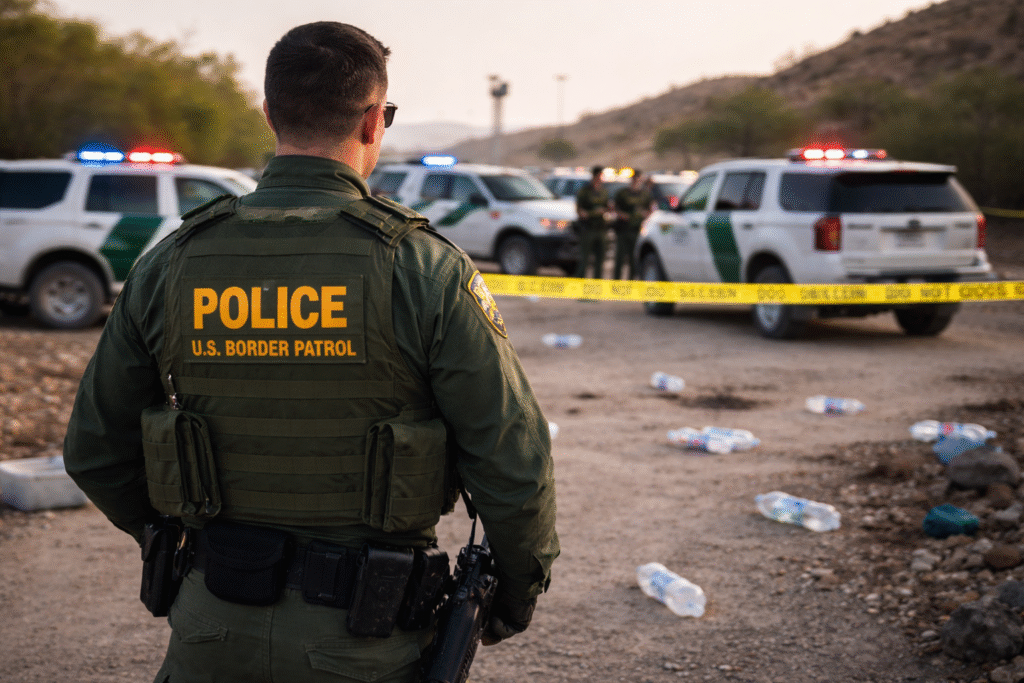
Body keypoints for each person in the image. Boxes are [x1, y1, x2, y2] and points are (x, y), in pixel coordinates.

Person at [63, 21, 558, 683]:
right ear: (374, 121)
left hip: (210, 629)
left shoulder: (172, 262)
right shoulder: (424, 269)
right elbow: (512, 460)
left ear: (269, 113)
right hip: (368, 643)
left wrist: (170, 543)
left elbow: (94, 446)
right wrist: (514, 596)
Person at [611, 170, 653, 280]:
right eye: (634, 179)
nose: (636, 181)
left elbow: (650, 210)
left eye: (638, 179)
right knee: (619, 258)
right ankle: (616, 283)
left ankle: (631, 283)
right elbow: (615, 208)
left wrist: (644, 215)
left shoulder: (645, 194)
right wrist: (623, 215)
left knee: (634, 259)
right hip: (623, 229)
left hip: (637, 230)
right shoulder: (623, 193)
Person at [573, 165, 609, 279]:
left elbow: (607, 208)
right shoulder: (585, 191)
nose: (601, 178)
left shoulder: (603, 192)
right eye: (599, 175)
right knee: (584, 260)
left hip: (601, 229)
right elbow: (580, 211)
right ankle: (579, 287)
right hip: (588, 229)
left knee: (600, 261)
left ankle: (595, 288)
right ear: (595, 175)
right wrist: (593, 213)